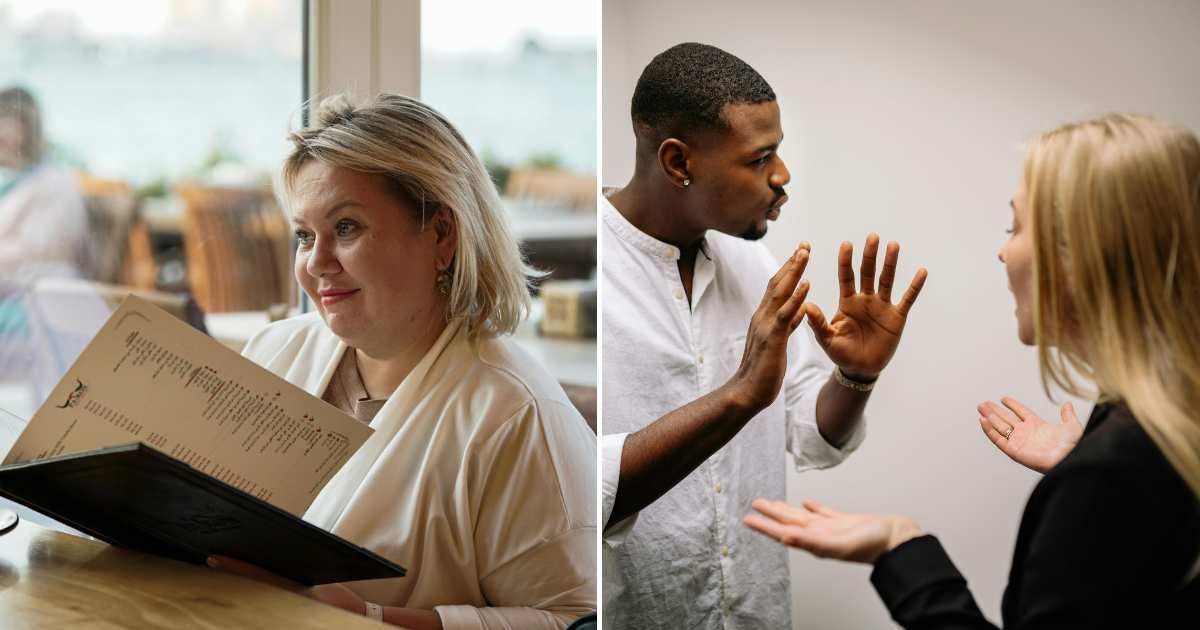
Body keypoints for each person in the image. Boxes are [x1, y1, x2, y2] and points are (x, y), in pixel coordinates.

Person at [744, 113, 1200, 628]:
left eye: (1017, 227)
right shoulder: (1164, 428)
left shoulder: (1115, 470)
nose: (1004, 251)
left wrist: (901, 547)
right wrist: (1087, 470)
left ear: (1084, 258)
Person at [223, 93, 596, 630]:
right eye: (305, 236)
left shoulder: (515, 414)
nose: (316, 263)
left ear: (441, 234)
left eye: (346, 228)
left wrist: (374, 619)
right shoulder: (274, 352)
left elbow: (575, 619)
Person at [601, 43, 927, 628]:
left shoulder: (754, 268)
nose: (782, 177)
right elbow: (588, 494)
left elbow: (811, 434)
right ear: (679, 163)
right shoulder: (591, 282)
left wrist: (856, 376)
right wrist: (739, 395)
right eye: (760, 159)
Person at [0, 86, 87, 276]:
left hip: (38, 291)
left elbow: (36, 254)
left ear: (27, 128)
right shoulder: (13, 181)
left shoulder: (53, 182)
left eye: (4, 121)